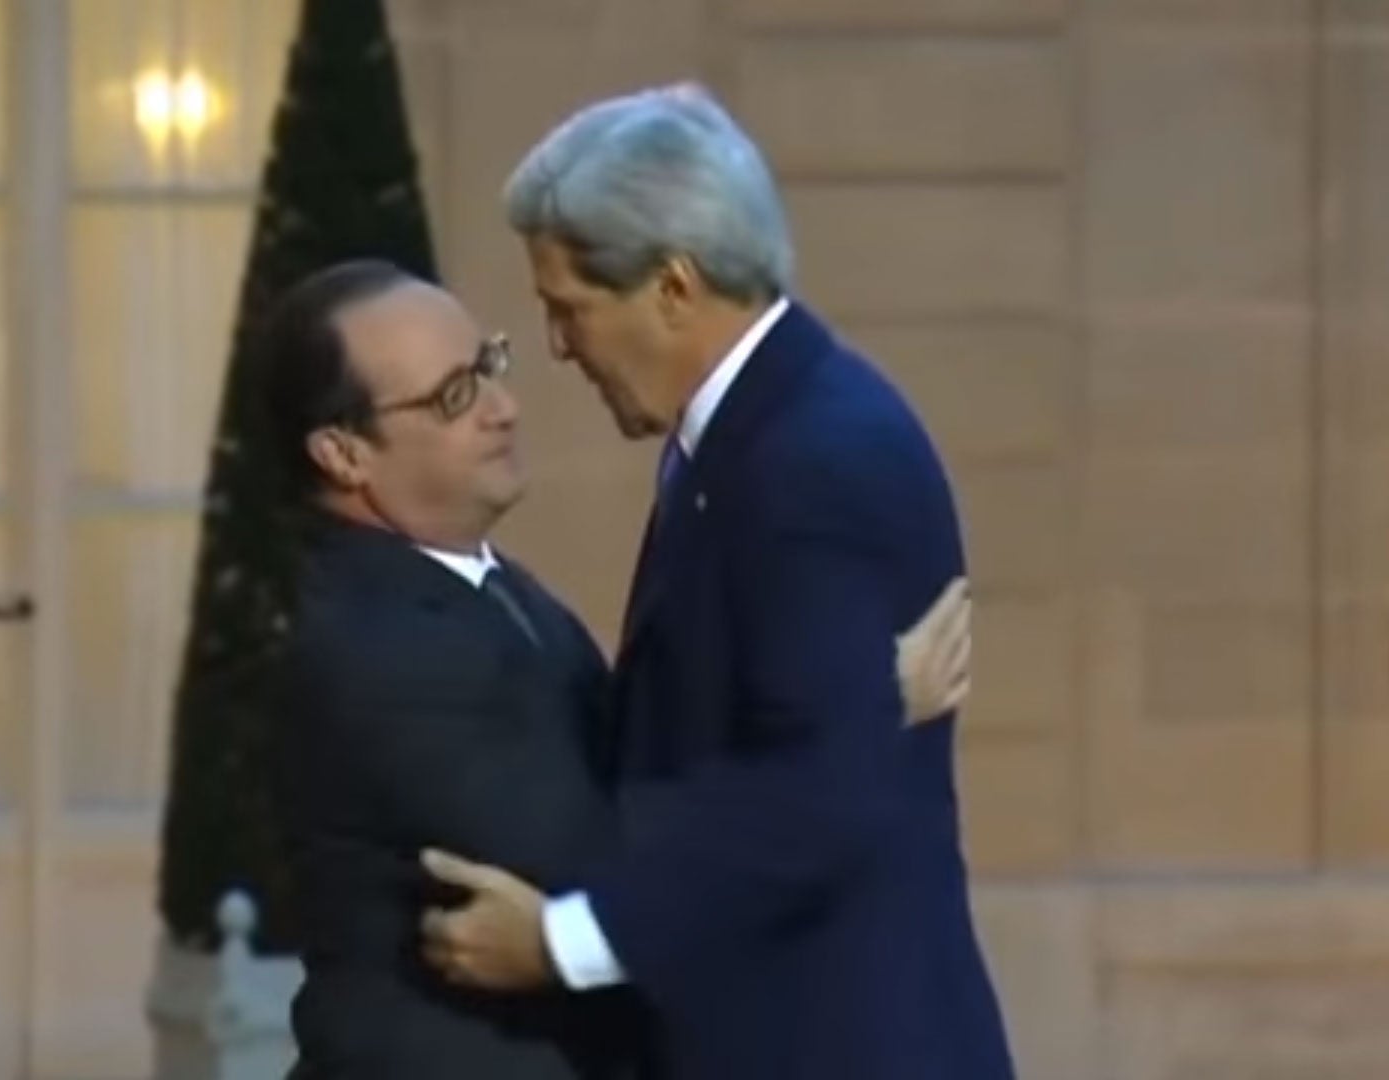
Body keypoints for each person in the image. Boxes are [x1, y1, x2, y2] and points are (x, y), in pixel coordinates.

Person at [419, 84, 1015, 1080]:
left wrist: (565, 941)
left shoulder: (812, 458)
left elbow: (819, 798)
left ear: (674, 286)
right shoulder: (744, 436)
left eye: (570, 309)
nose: (560, 347)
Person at [262, 259, 971, 1079]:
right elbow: (614, 857)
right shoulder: (368, 642)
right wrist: (862, 709)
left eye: (490, 366)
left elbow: (645, 761)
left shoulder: (488, 585)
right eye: (454, 396)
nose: (505, 408)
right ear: (343, 453)